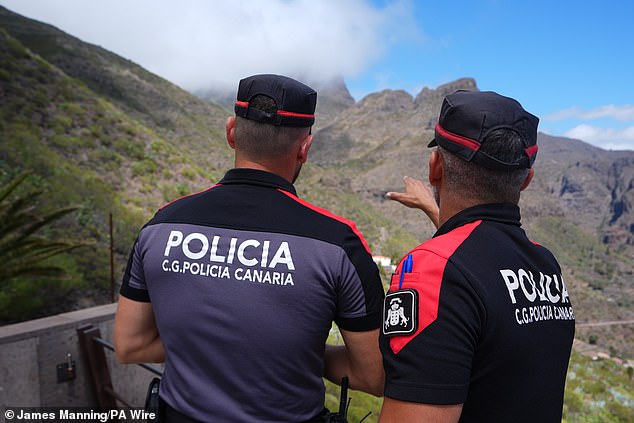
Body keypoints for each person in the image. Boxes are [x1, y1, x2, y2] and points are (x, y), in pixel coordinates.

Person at [114, 74, 385, 422]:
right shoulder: (338, 243)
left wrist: (209, 344)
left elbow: (129, 345)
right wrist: (286, 349)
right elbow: (372, 375)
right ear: (305, 147)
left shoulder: (161, 225)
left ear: (231, 132)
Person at [379, 90, 575, 422]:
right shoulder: (545, 264)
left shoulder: (432, 269)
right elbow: (477, 251)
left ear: (435, 167)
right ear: (526, 179)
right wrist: (432, 208)